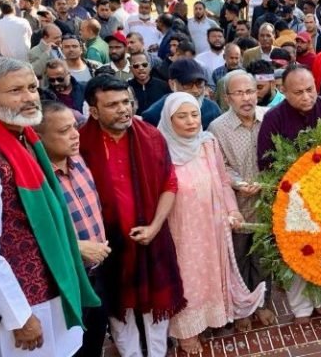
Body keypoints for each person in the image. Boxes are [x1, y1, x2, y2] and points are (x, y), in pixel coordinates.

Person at [0, 57, 99, 356]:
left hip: (51, 289)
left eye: (32, 87)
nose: (29, 97)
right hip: (24, 303)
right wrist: (18, 315)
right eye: (16, 90)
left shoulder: (26, 138)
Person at [79, 75, 186, 357]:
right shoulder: (79, 144)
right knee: (117, 308)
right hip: (106, 245)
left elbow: (169, 184)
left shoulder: (151, 137)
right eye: (113, 104)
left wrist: (154, 226)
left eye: (126, 101)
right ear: (93, 110)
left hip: (151, 239)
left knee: (156, 308)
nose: (124, 109)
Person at [157, 92, 265, 353]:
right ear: (168, 119)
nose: (191, 121)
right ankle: (186, 333)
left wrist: (233, 210)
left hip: (212, 224)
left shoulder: (208, 143)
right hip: (181, 229)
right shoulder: (160, 150)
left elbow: (222, 180)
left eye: (194, 114)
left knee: (212, 273)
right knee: (188, 278)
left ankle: (210, 320)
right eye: (182, 116)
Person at [256, 66, 321, 322]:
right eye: (298, 92)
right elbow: (266, 163)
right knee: (297, 253)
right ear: (283, 91)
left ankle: (320, 298)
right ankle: (301, 307)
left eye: (310, 90)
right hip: (293, 200)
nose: (306, 97)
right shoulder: (274, 117)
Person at [34, 100, 110, 357]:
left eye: (74, 127)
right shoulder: (36, 179)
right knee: (72, 348)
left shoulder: (78, 160)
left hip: (97, 274)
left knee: (95, 340)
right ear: (38, 137)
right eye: (63, 131)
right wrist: (74, 247)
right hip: (66, 282)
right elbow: (31, 235)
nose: (74, 135)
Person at [208, 70, 278, 327]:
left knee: (263, 258)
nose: (247, 98)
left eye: (250, 91)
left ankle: (262, 304)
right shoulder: (217, 127)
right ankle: (241, 309)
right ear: (228, 98)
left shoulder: (269, 118)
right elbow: (219, 165)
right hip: (236, 205)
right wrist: (237, 182)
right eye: (239, 93)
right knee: (237, 259)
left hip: (266, 202)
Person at [142, 58, 222, 129]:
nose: (195, 90)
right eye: (188, 84)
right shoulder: (154, 115)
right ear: (172, 84)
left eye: (199, 84)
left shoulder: (212, 110)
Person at [128, 51, 171, 115]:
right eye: (136, 66)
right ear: (131, 69)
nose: (141, 68)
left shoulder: (163, 86)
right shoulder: (126, 88)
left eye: (144, 65)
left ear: (150, 66)